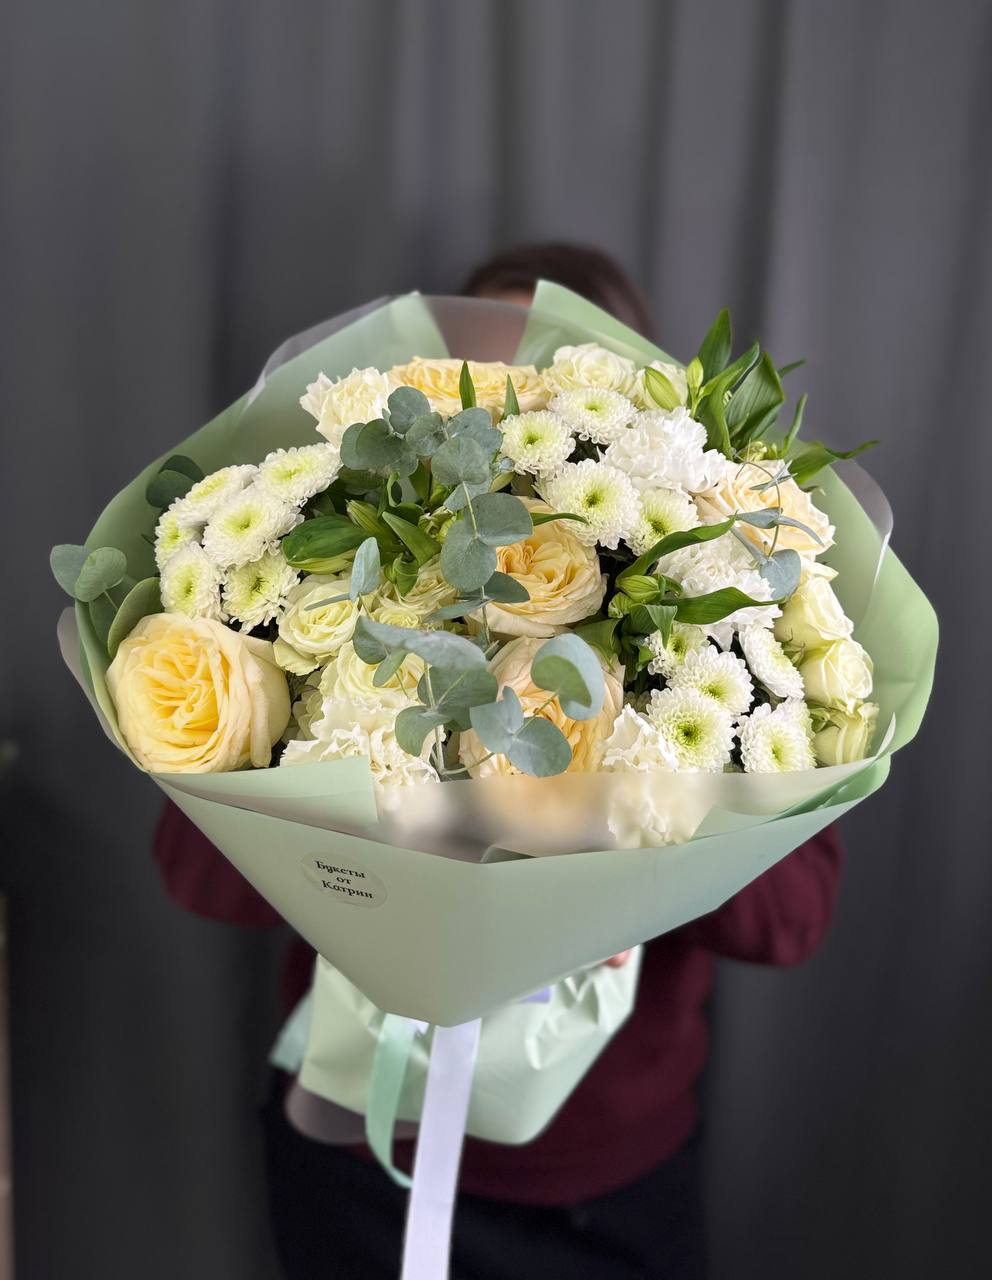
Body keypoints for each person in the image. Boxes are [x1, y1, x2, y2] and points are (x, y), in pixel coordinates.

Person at [154, 242, 843, 1279]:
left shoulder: (716, 620)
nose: (511, 404)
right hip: (359, 1152)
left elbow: (792, 919)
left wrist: (631, 805)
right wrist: (365, 800)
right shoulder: (334, 589)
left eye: (550, 375)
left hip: (602, 1183)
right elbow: (193, 872)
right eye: (479, 373)